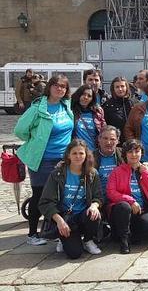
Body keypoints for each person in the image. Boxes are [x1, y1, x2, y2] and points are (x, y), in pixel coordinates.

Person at [14, 74, 73, 246]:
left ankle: (53, 230)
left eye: (63, 86)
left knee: (60, 195)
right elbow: (20, 130)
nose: (59, 89)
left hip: (63, 159)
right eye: (56, 85)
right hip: (42, 159)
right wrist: (36, 140)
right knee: (39, 195)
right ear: (50, 87)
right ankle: (32, 234)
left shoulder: (66, 106)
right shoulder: (38, 107)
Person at [38, 139, 103, 259]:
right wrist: (59, 221)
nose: (78, 156)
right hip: (65, 217)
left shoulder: (92, 173)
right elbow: (45, 202)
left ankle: (88, 240)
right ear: (68, 155)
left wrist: (94, 205)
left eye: (81, 153)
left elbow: (98, 196)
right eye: (74, 153)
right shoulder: (57, 174)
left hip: (83, 214)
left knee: (94, 214)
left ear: (86, 155)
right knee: (74, 253)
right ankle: (63, 238)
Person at [107, 139, 148, 254]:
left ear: (141, 153)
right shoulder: (117, 171)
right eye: (130, 152)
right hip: (123, 211)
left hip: (142, 210)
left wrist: (145, 174)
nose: (134, 155)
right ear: (125, 154)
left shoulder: (147, 169)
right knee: (124, 206)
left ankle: (132, 235)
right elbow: (111, 192)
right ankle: (124, 240)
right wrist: (131, 201)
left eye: (137, 151)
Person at [71, 85, 106, 151]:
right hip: (77, 153)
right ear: (78, 95)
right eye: (83, 94)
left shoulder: (98, 112)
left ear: (92, 99)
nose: (86, 97)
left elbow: (103, 131)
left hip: (94, 152)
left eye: (89, 96)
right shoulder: (71, 111)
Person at [93, 125, 123, 206]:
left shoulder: (124, 154)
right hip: (97, 198)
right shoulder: (90, 156)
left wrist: (146, 164)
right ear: (99, 139)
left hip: (118, 198)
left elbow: (136, 161)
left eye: (112, 139)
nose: (108, 142)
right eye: (105, 138)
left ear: (117, 141)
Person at [102, 76, 137, 143]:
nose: (120, 89)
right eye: (117, 87)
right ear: (113, 89)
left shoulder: (135, 103)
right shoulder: (107, 106)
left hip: (133, 142)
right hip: (116, 143)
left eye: (122, 86)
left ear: (126, 87)